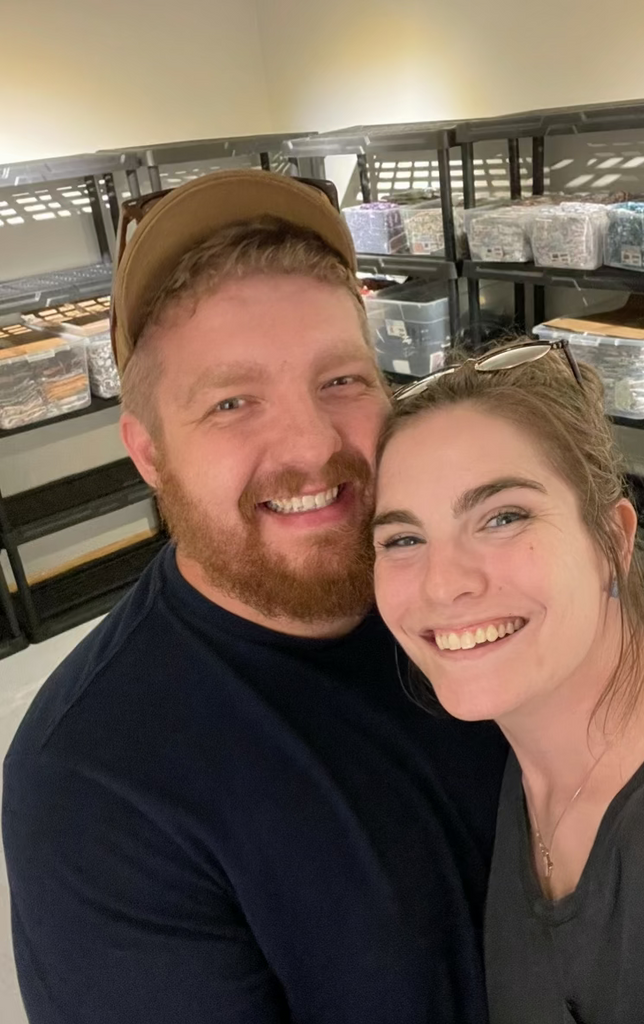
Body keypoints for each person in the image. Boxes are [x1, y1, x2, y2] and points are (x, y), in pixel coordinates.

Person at [2, 169, 507, 1024]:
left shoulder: (464, 594)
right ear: (149, 452)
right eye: (232, 401)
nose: (311, 447)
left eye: (341, 381)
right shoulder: (94, 787)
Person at [372, 341, 644, 1024]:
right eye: (401, 539)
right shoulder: (523, 760)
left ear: (614, 541)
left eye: (502, 516)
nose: (443, 581)